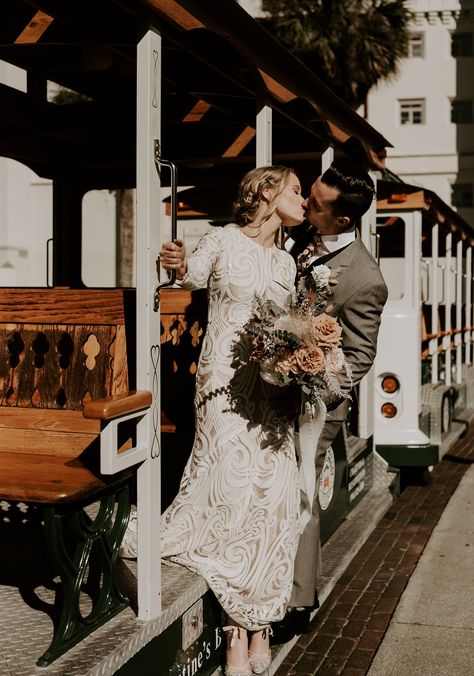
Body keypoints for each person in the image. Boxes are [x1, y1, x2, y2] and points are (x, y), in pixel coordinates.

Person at [159, 166, 307, 676]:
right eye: (295, 190)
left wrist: (306, 359)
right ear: (266, 192)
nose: (304, 199)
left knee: (271, 500)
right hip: (224, 387)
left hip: (272, 393)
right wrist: (176, 261)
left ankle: (259, 622)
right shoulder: (221, 239)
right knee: (231, 497)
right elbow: (190, 276)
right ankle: (234, 634)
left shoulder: (288, 263)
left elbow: (289, 328)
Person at [272, 159, 388, 643]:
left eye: (314, 204)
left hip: (316, 406)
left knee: (300, 492)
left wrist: (313, 373)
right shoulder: (302, 238)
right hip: (271, 389)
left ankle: (300, 601)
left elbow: (359, 357)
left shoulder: (365, 278)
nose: (305, 203)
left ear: (342, 220)